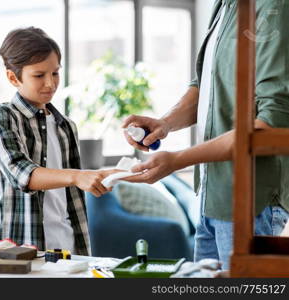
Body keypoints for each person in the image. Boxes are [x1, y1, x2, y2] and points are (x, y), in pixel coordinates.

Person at [122, 0, 289, 269]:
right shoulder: (224, 5)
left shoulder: (275, 6)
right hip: (210, 196)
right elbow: (205, 86)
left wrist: (178, 159)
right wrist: (164, 123)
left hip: (250, 201)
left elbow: (272, 121)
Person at [0, 27, 118, 255]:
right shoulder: (2, 117)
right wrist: (77, 176)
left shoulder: (66, 126)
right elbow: (21, 173)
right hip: (18, 252)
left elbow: (71, 195)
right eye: (39, 75)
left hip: (67, 247)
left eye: (55, 73)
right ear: (12, 77)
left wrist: (107, 175)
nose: (50, 83)